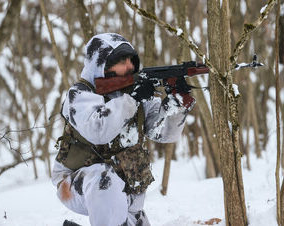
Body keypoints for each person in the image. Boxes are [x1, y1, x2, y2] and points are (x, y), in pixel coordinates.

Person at [51, 33, 195, 226]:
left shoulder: (135, 93)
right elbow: (99, 131)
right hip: (78, 184)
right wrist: (133, 100)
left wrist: (177, 105)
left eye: (131, 60)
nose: (129, 66)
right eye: (121, 61)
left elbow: (164, 134)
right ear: (101, 63)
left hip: (126, 183)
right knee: (103, 178)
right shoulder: (80, 95)